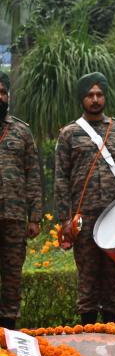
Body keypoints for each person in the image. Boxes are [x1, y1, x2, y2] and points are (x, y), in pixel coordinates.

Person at [55, 73, 115, 325]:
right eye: (90, 95)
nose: (95, 99)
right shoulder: (69, 134)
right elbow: (61, 178)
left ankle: (113, 330)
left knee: (113, 277)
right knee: (87, 278)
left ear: (105, 97)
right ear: (82, 99)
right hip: (84, 217)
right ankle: (87, 333)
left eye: (99, 94)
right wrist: (64, 220)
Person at [0, 73, 42, 330]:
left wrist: (34, 217)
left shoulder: (21, 131)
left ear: (8, 96)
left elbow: (33, 176)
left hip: (14, 217)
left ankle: (8, 332)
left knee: (12, 277)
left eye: (3, 92)